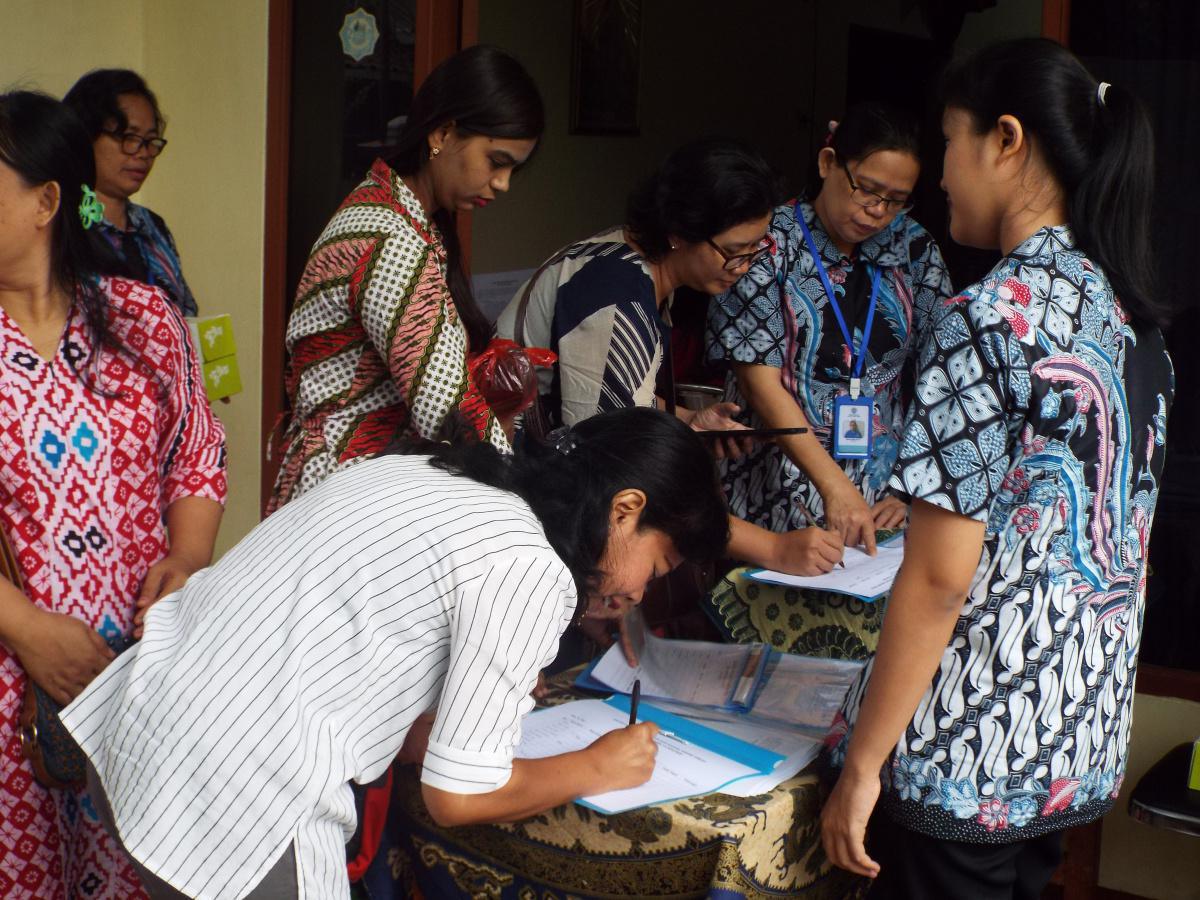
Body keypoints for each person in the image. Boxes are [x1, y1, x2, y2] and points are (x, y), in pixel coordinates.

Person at [63, 407, 729, 900]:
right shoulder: (530, 567)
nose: (642, 588)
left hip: (142, 728)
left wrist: (433, 732)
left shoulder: (428, 471)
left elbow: (354, 652)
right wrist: (595, 764)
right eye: (660, 560)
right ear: (625, 510)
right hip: (238, 799)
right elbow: (458, 799)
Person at [820, 39, 1174, 900]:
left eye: (949, 141)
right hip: (1070, 733)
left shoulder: (989, 317)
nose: (940, 174)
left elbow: (940, 581)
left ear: (1005, 140)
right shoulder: (1130, 318)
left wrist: (862, 767)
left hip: (972, 745)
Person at [0, 91, 227, 900]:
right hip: (13, 681)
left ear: (45, 201)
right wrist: (26, 628)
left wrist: (189, 554)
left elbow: (196, 451)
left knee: (132, 873)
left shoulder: (142, 319)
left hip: (136, 675)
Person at [497, 138, 839, 577]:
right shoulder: (616, 298)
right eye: (734, 251)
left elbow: (608, 397)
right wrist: (772, 548)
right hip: (528, 507)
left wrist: (688, 421)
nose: (746, 265)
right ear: (678, 233)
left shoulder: (630, 265)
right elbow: (616, 467)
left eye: (758, 248)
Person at [700, 104, 952, 661]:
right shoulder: (771, 240)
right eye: (866, 189)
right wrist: (834, 485)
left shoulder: (915, 251)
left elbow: (940, 378)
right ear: (828, 162)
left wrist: (909, 490)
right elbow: (758, 373)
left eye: (895, 200)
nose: (877, 211)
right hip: (774, 486)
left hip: (880, 499)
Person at [268, 44, 543, 512]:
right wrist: (531, 504)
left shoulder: (404, 216)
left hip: (355, 485)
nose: (503, 183)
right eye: (496, 161)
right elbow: (448, 410)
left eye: (514, 168)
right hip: (341, 494)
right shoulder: (390, 237)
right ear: (442, 132)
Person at [62, 69, 199, 317]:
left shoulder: (153, 226)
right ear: (84, 135)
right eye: (129, 137)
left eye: (151, 140)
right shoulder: (59, 223)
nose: (143, 152)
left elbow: (187, 315)